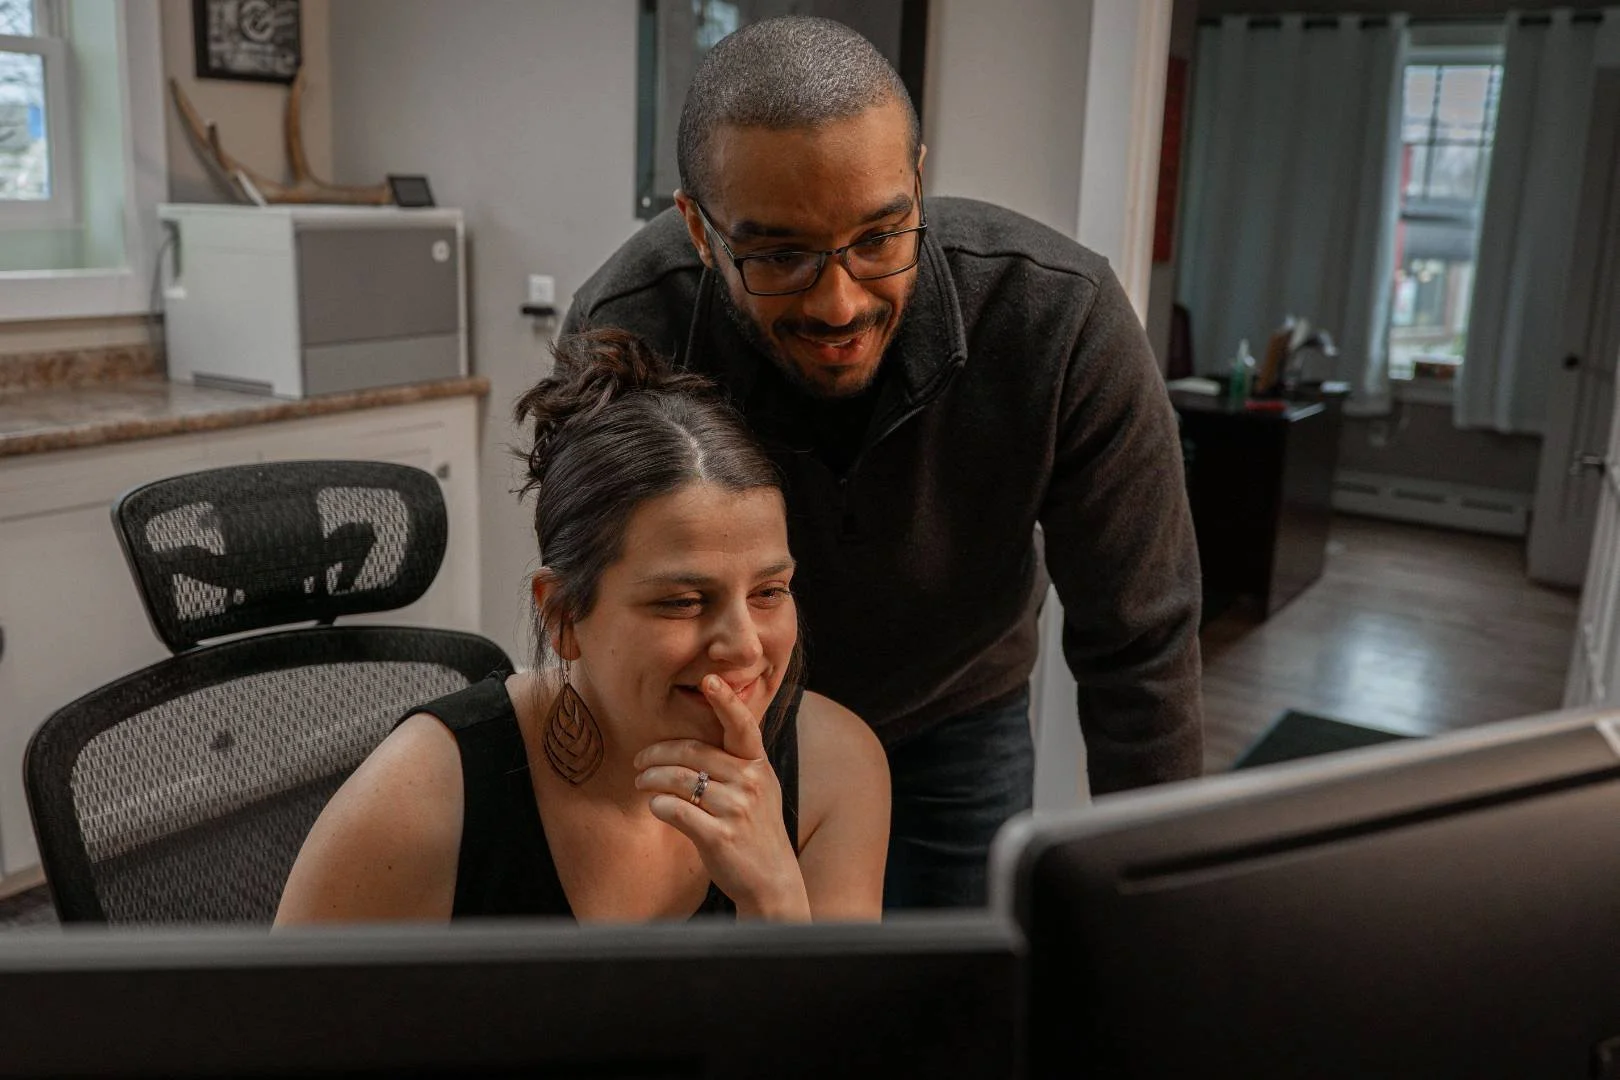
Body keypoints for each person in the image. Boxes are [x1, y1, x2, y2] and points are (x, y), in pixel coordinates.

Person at [561, 16, 1203, 909]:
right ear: (700, 232)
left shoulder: (1059, 319)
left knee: (941, 1012)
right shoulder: (630, 328)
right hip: (717, 719)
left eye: (879, 236)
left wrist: (1166, 899)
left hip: (955, 716)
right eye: (780, 254)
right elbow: (597, 601)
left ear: (918, 185)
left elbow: (1141, 642)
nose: (839, 301)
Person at [276, 328, 890, 924]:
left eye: (769, 592)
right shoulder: (419, 799)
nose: (745, 646)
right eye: (682, 601)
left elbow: (832, 1032)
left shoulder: (837, 768)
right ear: (564, 613)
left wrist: (775, 900)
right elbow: (279, 1028)